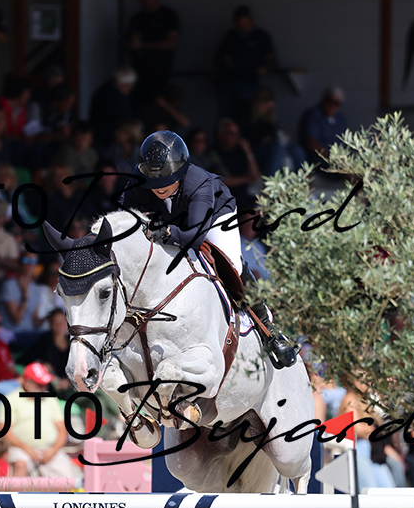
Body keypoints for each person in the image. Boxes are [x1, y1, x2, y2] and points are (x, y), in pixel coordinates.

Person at [120, 129, 297, 369]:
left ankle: (270, 330)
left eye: (166, 180)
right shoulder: (140, 178)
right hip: (170, 217)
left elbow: (194, 236)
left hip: (213, 217)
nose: (159, 187)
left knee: (232, 263)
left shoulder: (199, 183)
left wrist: (168, 232)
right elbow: (123, 218)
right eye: (154, 182)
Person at [3, 361, 75, 479]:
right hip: (20, 449)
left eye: (45, 385)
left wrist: (53, 451)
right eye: (40, 385)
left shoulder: (51, 399)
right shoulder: (11, 399)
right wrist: (27, 449)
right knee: (20, 465)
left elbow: (62, 430)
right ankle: (12, 492)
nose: (44, 388)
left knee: (68, 480)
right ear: (27, 382)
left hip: (49, 449)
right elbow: (4, 431)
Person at [214, 5, 276, 118]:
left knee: (247, 114)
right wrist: (226, 61)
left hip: (250, 82)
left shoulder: (260, 36)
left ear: (251, 21)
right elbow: (218, 57)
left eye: (245, 23)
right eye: (240, 23)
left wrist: (265, 68)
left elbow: (271, 59)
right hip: (230, 81)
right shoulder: (231, 37)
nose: (243, 26)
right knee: (226, 116)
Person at [127, 0, 179, 110]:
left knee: (158, 108)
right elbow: (132, 43)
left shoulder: (168, 16)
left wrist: (144, 45)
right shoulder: (137, 19)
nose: (144, 0)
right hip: (139, 74)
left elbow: (170, 44)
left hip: (160, 73)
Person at [208, 118, 261, 208]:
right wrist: (245, 179)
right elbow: (223, 180)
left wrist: (248, 152)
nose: (235, 137)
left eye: (237, 134)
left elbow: (255, 176)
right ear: (220, 135)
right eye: (231, 133)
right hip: (223, 198)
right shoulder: (214, 152)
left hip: (244, 195)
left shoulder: (240, 151)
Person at [0, 251, 45, 350]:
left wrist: (49, 317)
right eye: (26, 260)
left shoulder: (36, 288)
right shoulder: (9, 285)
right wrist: (25, 295)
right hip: (12, 334)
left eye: (33, 261)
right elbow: (16, 320)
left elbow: (34, 321)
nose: (30, 264)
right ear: (19, 263)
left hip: (30, 333)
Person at [89, 66, 137, 151]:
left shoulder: (102, 91)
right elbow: (125, 119)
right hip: (108, 139)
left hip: (99, 134)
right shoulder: (117, 98)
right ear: (126, 85)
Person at [299, 87, 347, 170]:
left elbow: (345, 142)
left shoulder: (340, 119)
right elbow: (312, 144)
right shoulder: (314, 115)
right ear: (323, 99)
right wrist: (331, 156)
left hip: (338, 159)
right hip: (319, 159)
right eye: (329, 101)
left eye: (336, 103)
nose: (332, 105)